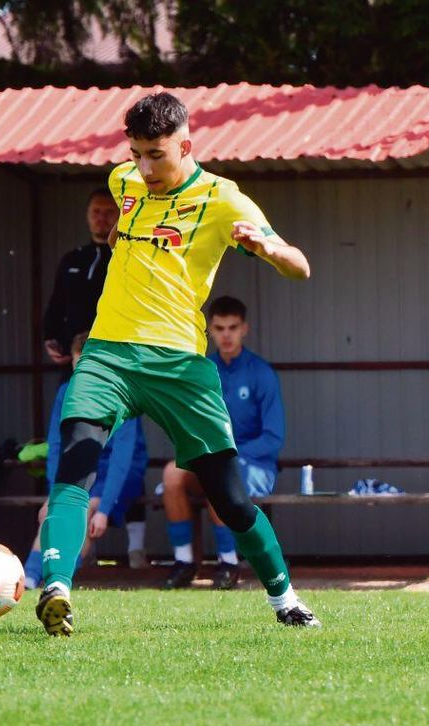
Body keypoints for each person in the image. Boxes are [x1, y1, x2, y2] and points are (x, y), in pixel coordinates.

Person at [34, 92, 319, 636]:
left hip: (179, 367)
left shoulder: (223, 199)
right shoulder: (124, 183)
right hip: (107, 355)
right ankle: (57, 588)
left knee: (231, 501)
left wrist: (266, 249)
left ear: (186, 145)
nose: (144, 168)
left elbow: (299, 266)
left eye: (156, 155)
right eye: (136, 153)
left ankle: (285, 599)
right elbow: (127, 230)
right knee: (74, 464)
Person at [161, 296, 284, 590]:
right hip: (212, 456)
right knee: (172, 473)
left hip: (254, 464)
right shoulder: (200, 370)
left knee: (221, 470)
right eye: (219, 328)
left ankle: (228, 563)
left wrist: (229, 454)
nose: (226, 334)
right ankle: (183, 562)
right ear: (210, 331)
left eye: (233, 327)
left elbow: (273, 437)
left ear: (245, 329)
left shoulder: (261, 373)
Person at [23, 332, 149, 589]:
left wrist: (104, 509)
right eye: (76, 368)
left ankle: (54, 582)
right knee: (55, 511)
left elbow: (122, 460)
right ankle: (28, 580)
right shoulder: (65, 393)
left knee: (86, 510)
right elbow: (57, 447)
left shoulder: (123, 394)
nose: (82, 378)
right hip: (82, 468)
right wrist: (53, 494)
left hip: (119, 476)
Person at [42, 188, 119, 368]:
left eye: (109, 212)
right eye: (96, 212)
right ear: (87, 215)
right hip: (75, 359)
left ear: (121, 214)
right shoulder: (71, 259)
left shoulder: (128, 258)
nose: (102, 218)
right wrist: (51, 338)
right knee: (66, 396)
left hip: (116, 357)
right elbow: (56, 304)